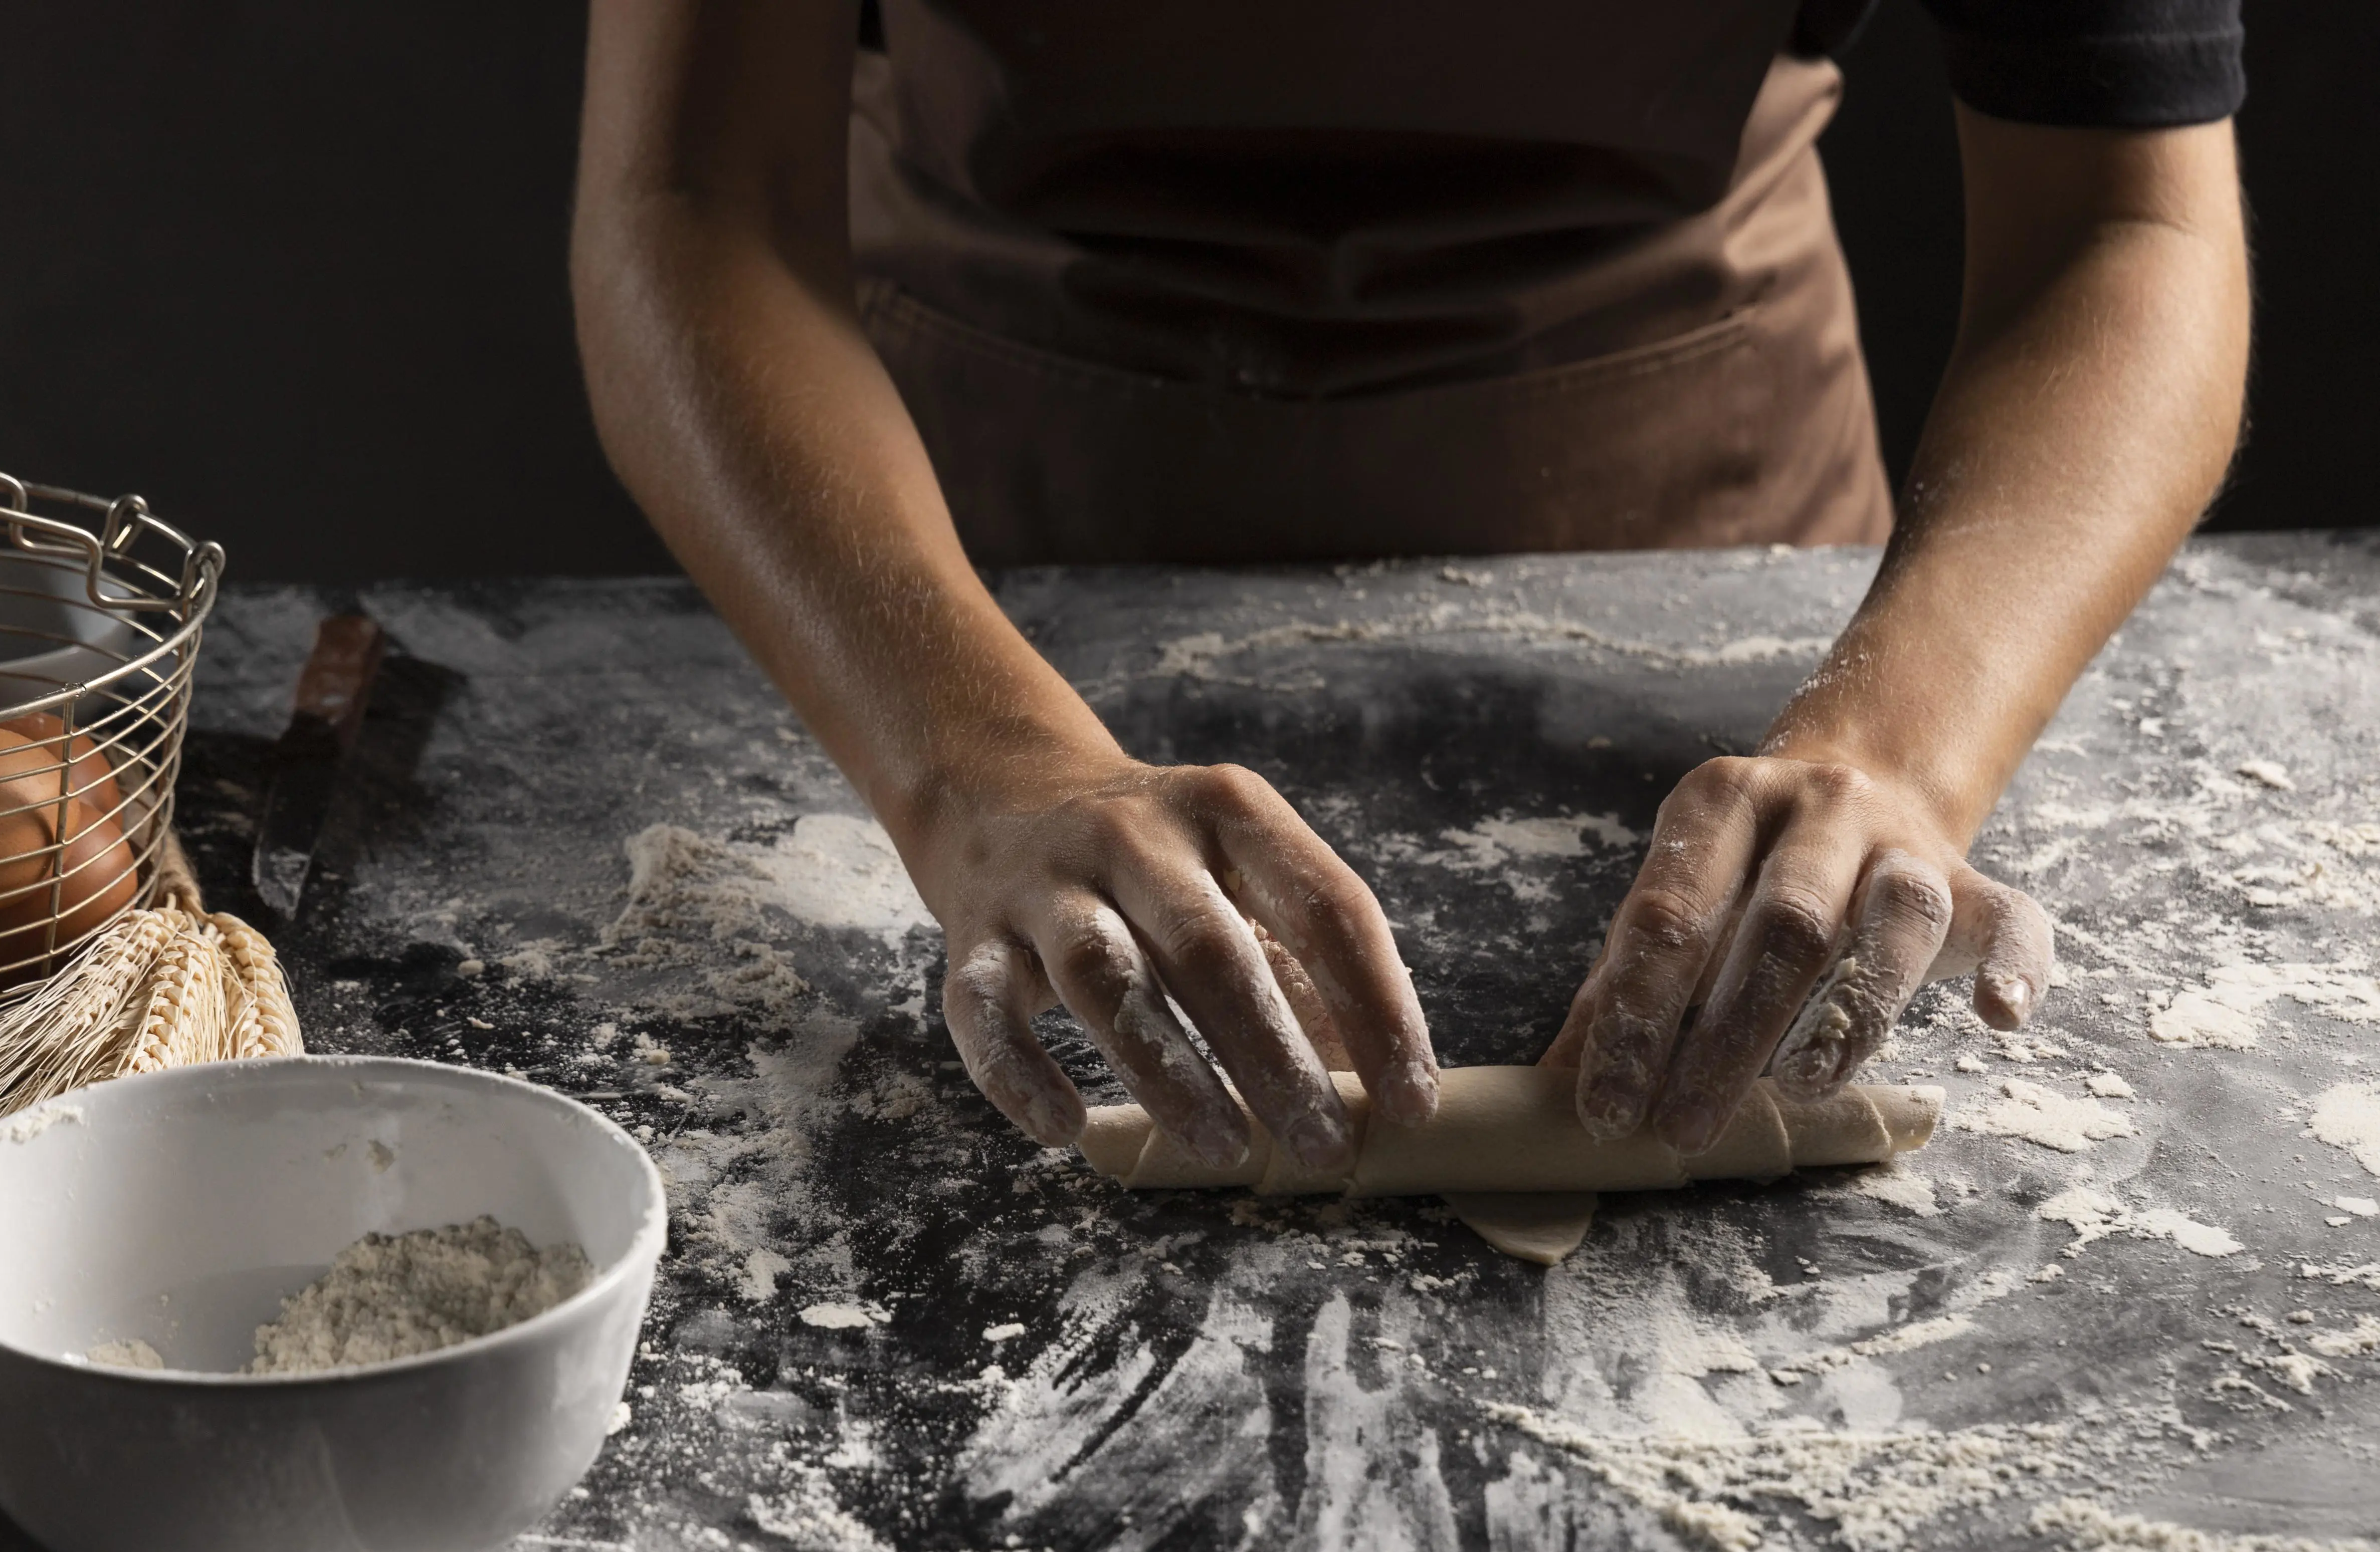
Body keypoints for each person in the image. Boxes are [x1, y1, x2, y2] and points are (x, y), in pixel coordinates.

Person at [570, 1, 2249, 1175]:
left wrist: (1902, 745)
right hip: (978, 535)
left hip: (1694, 496)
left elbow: (2129, 228)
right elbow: (695, 198)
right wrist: (967, 762)